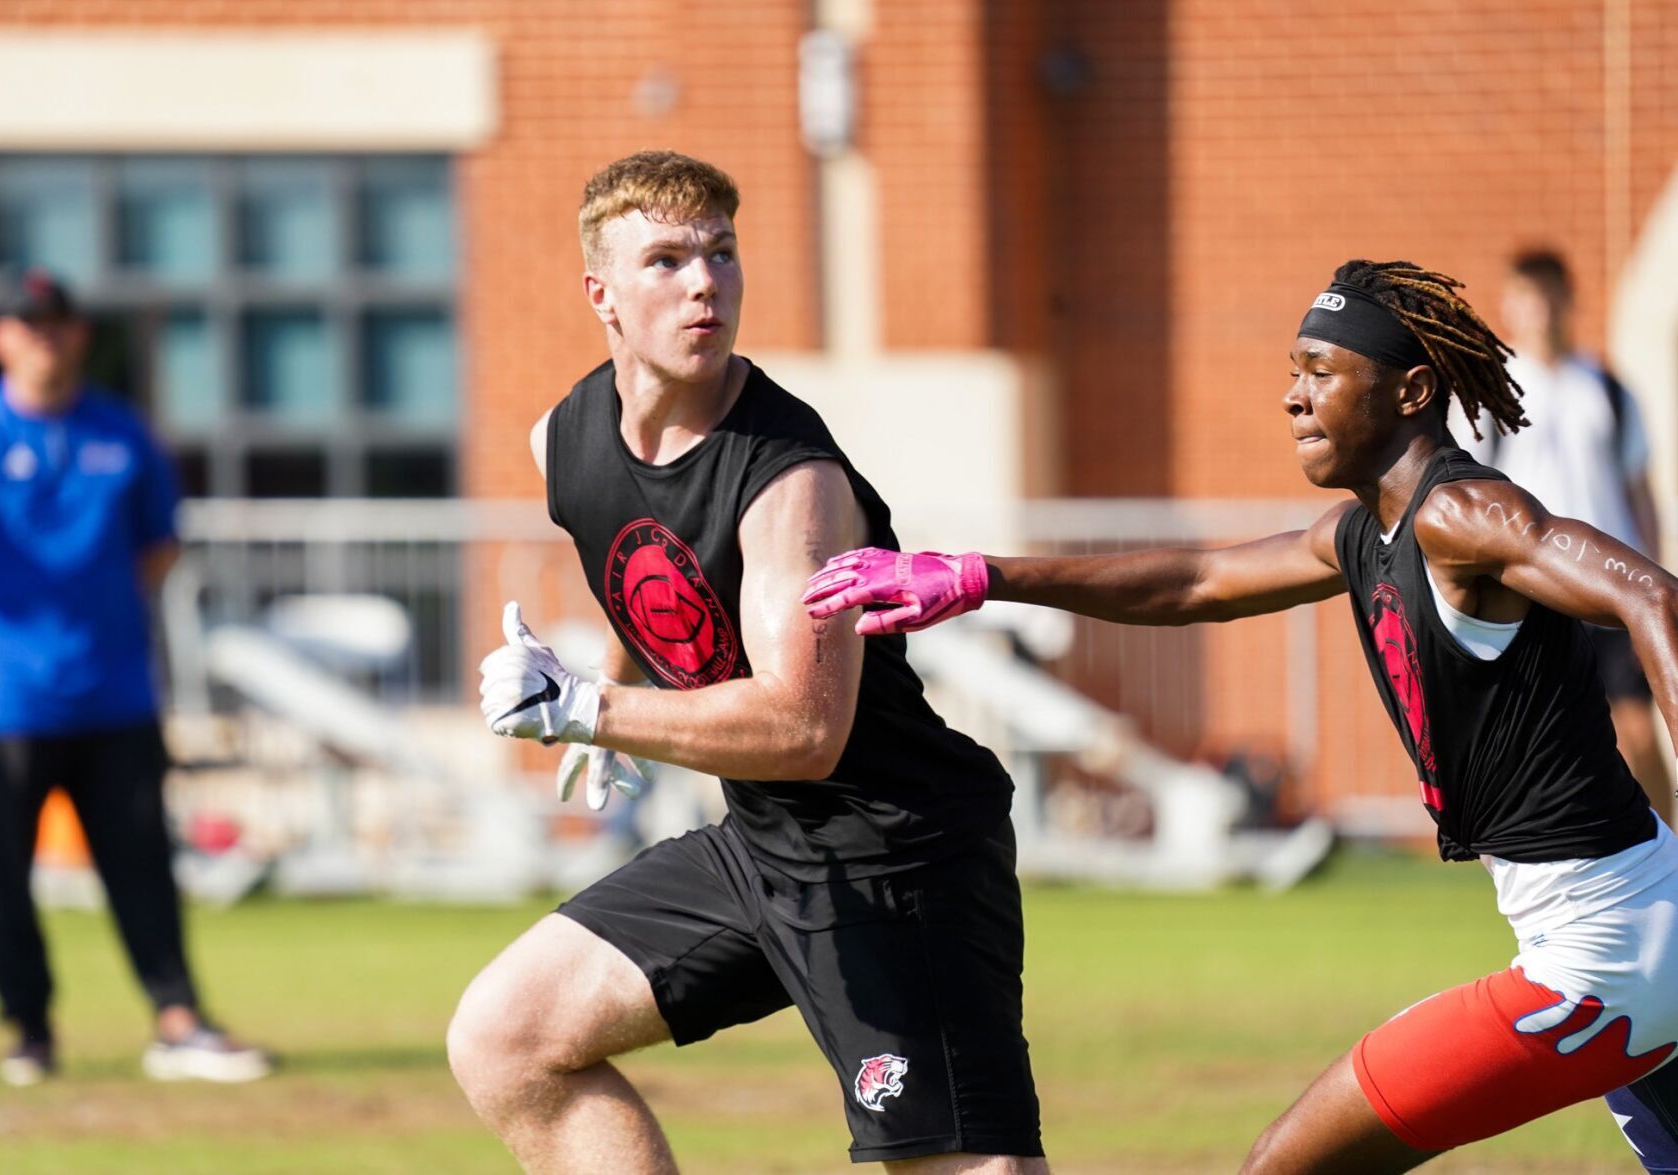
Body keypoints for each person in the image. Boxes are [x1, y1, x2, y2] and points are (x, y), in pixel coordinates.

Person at [804, 260, 1678, 1173]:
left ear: (1412, 390)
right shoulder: (1359, 533)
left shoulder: (1462, 511)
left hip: (1605, 951)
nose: (1293, 399)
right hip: (1620, 920)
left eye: (1319, 371)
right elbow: (1197, 580)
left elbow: (1652, 595)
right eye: (1291, 372)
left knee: (1282, 1165)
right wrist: (982, 577)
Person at [455, 151, 1045, 1172]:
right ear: (600, 293)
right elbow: (656, 579)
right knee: (511, 1035)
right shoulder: (565, 440)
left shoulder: (791, 481)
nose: (704, 282)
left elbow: (801, 730)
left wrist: (594, 708)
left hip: (896, 859)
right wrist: (622, 688)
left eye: (722, 253)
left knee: (965, 1164)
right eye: (668, 258)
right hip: (761, 847)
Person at [0, 271, 270, 1087]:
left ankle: (177, 1018)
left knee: (141, 863)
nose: (45, 337)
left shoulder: (122, 432)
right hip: (10, 703)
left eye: (56, 323)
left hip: (117, 691)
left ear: (78, 334)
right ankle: (30, 1029)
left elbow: (160, 543)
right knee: (7, 873)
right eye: (26, 325)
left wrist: (95, 609)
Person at [1451, 248, 1672, 823]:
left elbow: (1639, 491)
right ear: (1509, 306)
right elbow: (1463, 494)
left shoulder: (1606, 389)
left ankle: (1667, 848)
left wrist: (1648, 571)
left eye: (1550, 297)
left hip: (1607, 589)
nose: (1541, 312)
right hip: (1528, 589)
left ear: (1568, 301)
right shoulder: (1490, 390)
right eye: (1527, 298)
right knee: (1527, 739)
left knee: (1636, 735)